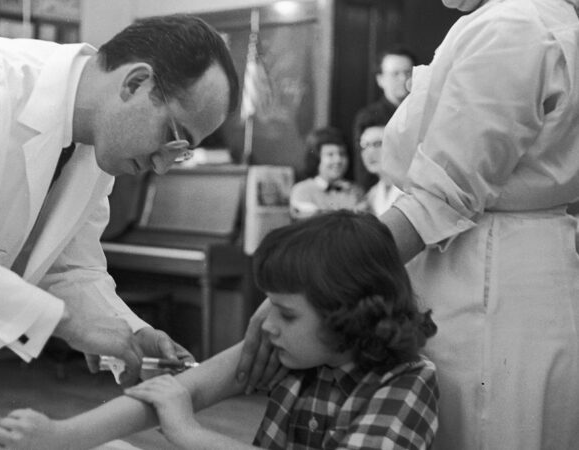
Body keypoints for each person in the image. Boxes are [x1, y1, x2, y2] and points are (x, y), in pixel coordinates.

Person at [240, 0, 579, 448]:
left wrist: (318, 281)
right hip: (499, 262)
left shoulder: (512, 26)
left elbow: (437, 197)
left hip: (485, 281)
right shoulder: (520, 19)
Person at [0, 14, 240, 426]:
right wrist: (65, 323)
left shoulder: (96, 144)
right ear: (135, 83)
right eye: (173, 136)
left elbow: (70, 269)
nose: (163, 166)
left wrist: (127, 334)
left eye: (181, 152)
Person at [0, 211, 439, 450]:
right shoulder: (299, 349)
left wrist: (189, 434)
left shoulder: (408, 381)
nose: (266, 324)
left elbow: (186, 411)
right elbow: (186, 389)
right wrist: (63, 438)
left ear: (347, 314)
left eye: (287, 313)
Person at [352, 45, 416, 192]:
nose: (403, 79)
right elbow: (365, 169)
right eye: (395, 74)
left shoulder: (425, 112)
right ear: (380, 79)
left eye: (408, 72)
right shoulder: (368, 117)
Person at [289, 127, 365, 220]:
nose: (338, 160)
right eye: (330, 154)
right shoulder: (302, 190)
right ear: (316, 158)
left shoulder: (355, 191)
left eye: (342, 154)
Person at [357, 113, 402, 216]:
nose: (370, 152)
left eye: (378, 144)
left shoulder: (410, 189)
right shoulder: (371, 195)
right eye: (365, 145)